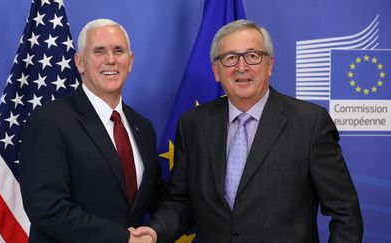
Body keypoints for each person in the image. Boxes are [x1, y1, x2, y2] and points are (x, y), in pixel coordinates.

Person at [132, 19, 363, 242]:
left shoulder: (309, 123)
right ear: (216, 70)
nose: (241, 67)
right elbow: (181, 201)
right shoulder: (193, 124)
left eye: (252, 56)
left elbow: (346, 213)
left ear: (269, 64)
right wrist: (155, 233)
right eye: (230, 58)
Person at [19, 19, 164, 243]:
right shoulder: (49, 121)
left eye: (119, 51)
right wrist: (122, 238)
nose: (111, 60)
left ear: (130, 60)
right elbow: (46, 208)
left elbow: (155, 198)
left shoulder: (142, 127)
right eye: (99, 51)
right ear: (79, 62)